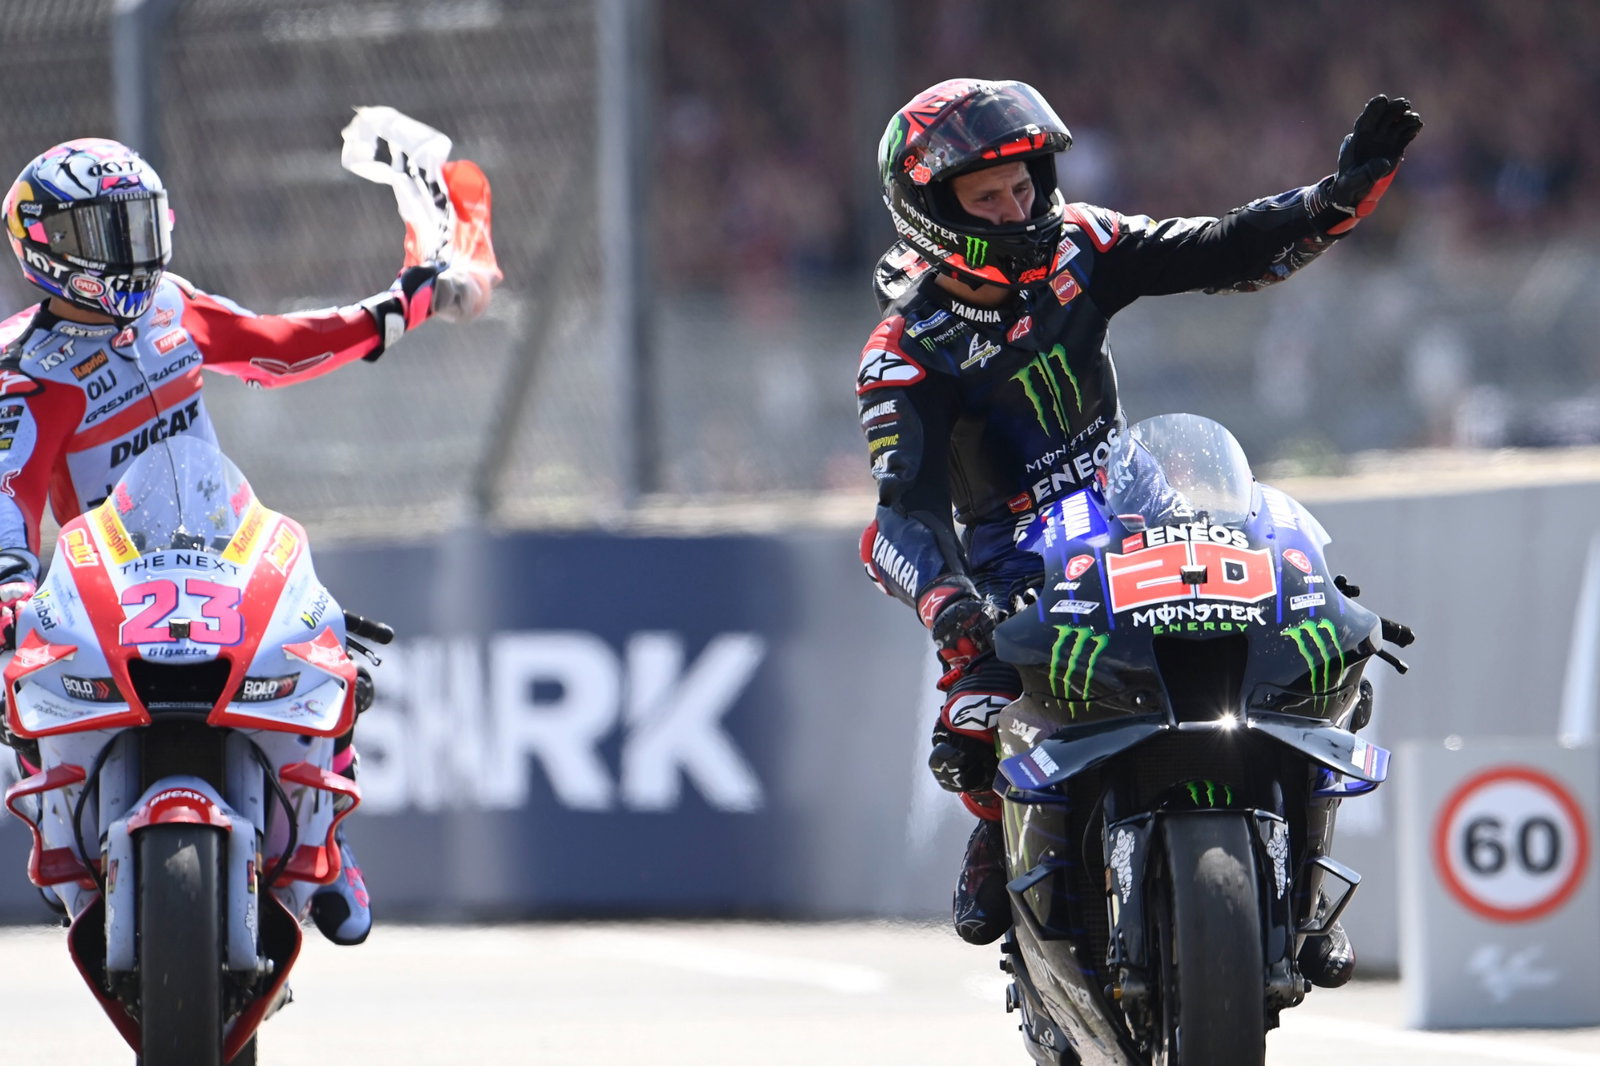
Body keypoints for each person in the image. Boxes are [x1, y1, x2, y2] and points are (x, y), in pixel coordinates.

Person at [855, 80, 1420, 985]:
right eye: (986, 197)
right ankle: (996, 833)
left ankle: (1305, 889)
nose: (1019, 208)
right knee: (972, 716)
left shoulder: (1080, 244)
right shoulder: (903, 352)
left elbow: (1222, 248)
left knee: (1321, 634)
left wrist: (1331, 202)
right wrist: (947, 599)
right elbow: (900, 516)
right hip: (1014, 556)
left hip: (1139, 503)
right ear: (931, 210)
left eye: (1024, 184)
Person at [0, 137, 491, 946]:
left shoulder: (173, 305)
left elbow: (281, 345)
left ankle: (327, 839)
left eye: (137, 225)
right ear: (47, 245)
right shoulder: (27, 367)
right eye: (104, 233)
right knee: (22, 680)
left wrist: (407, 303)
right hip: (103, 575)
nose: (130, 251)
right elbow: (9, 496)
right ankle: (58, 835)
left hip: (215, 542)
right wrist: (11, 586)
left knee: (328, 642)